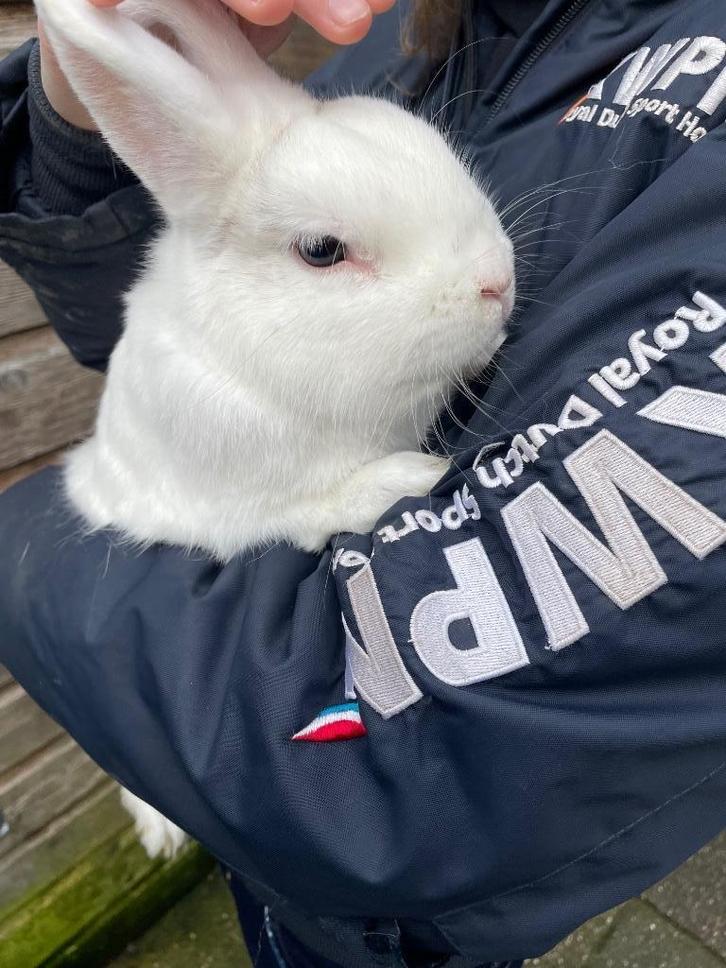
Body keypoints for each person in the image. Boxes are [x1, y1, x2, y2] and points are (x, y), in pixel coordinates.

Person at [1, 0, 725, 965]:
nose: (491, 283)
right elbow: (128, 322)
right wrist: (77, 108)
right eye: (324, 251)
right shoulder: (423, 29)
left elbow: (352, 761)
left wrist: (26, 543)